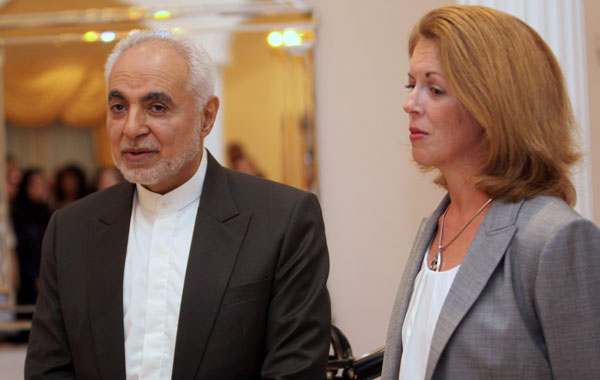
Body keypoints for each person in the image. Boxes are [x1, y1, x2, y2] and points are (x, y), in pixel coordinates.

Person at [25, 31, 331, 379]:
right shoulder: (71, 230)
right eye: (119, 107)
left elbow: (294, 370)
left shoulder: (282, 220)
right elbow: (48, 370)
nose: (132, 127)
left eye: (156, 107)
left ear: (207, 117)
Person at [381, 5, 600, 380]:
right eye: (411, 85)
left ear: (493, 105)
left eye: (434, 89)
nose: (410, 104)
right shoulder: (437, 225)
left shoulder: (555, 239)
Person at [11, 169, 52, 314]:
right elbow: (20, 250)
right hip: (26, 281)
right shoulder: (18, 216)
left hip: (48, 277)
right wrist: (34, 276)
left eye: (42, 185)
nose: (38, 189)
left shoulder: (50, 214)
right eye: (34, 185)